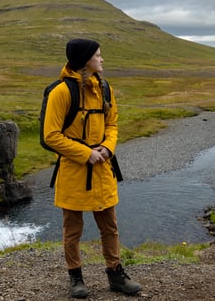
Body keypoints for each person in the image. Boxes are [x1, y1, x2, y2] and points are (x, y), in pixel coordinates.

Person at [42, 38, 142, 298]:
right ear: (86, 60)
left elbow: (112, 124)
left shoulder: (106, 89)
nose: (102, 59)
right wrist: (85, 153)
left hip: (102, 169)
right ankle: (76, 279)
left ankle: (116, 275)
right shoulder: (61, 92)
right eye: (98, 55)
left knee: (110, 227)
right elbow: (51, 135)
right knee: (72, 229)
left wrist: (108, 148)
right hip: (74, 170)